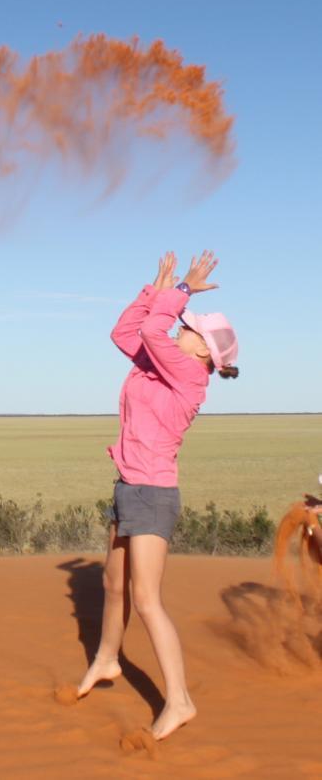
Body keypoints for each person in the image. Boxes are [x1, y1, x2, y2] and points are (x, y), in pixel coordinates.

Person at [75, 251, 240, 741]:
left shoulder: (189, 376)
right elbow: (126, 334)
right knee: (112, 583)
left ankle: (180, 700)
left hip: (152, 492)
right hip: (129, 485)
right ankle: (107, 659)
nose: (180, 328)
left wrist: (182, 291)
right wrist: (153, 290)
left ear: (204, 351)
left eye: (188, 328)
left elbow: (150, 334)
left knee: (147, 599)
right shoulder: (160, 365)